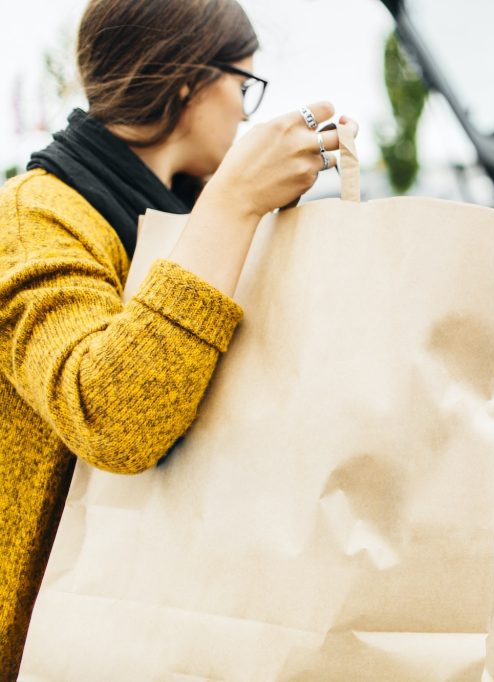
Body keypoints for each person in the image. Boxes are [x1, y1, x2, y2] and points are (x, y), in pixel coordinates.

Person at [0, 0, 356, 674]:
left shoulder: (184, 215)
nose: (246, 112)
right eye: (243, 85)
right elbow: (113, 420)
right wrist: (232, 202)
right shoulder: (34, 216)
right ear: (190, 78)